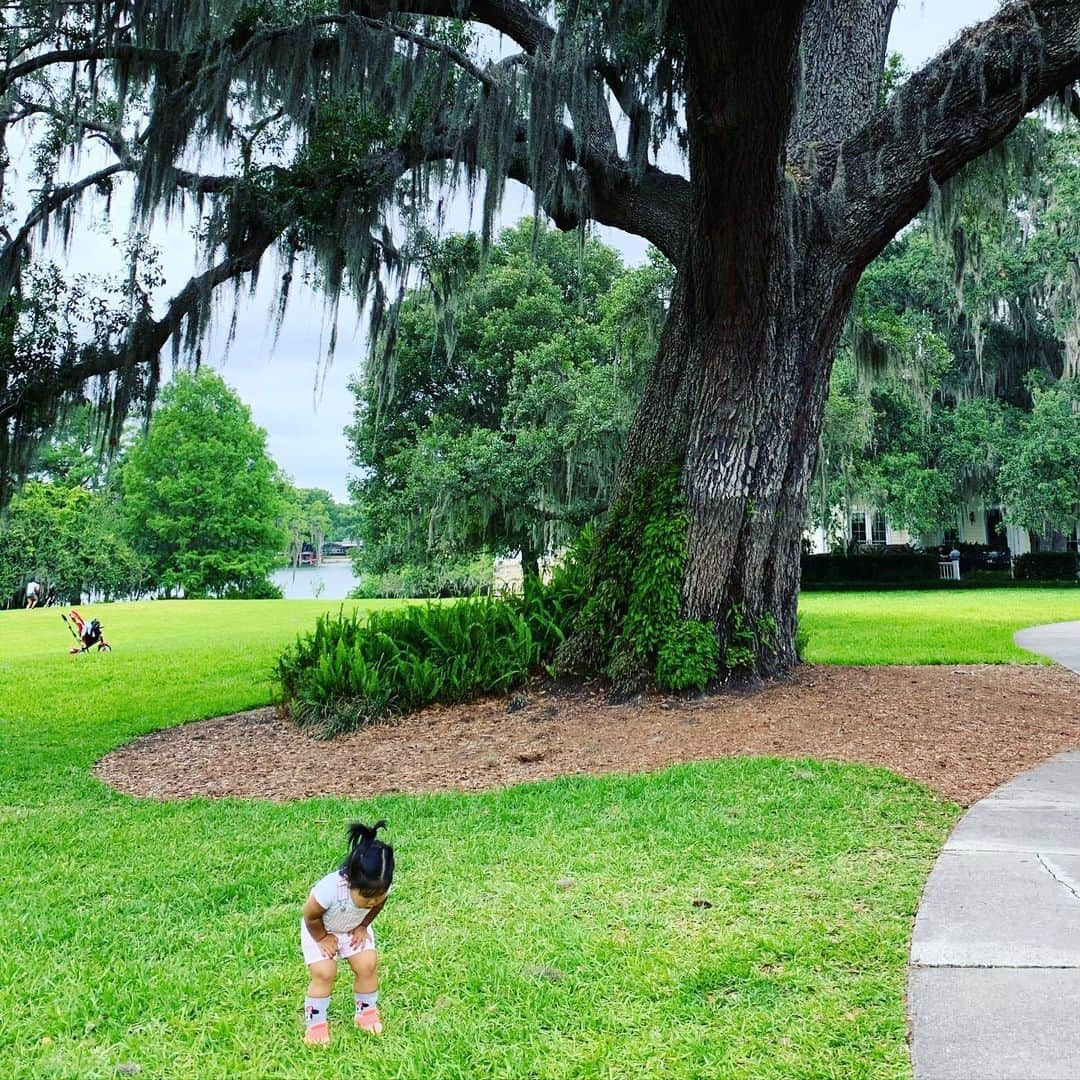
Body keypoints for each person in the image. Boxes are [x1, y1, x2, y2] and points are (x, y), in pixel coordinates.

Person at [301, 821, 394, 1045]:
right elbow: (310, 915)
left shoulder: (380, 887)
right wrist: (323, 938)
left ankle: (366, 1012)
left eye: (378, 895)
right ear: (350, 881)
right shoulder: (330, 889)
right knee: (325, 973)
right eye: (366, 896)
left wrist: (363, 925)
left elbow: (378, 906)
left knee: (367, 964)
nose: (372, 900)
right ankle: (316, 1025)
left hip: (352, 928)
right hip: (320, 929)